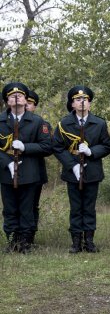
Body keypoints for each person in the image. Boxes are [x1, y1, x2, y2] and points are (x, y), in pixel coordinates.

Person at [52, 86, 110, 253]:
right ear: (72, 104)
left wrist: (92, 151)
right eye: (78, 100)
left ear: (90, 104)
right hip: (72, 172)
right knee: (76, 207)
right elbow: (57, 147)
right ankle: (76, 241)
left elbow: (107, 146)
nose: (82, 102)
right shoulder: (64, 123)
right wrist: (72, 166)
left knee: (89, 207)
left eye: (85, 99)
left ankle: (89, 241)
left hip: (92, 170)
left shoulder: (99, 123)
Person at [0, 82, 52, 253]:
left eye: (20, 96)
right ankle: (12, 241)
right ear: (7, 101)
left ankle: (25, 242)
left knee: (27, 209)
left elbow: (46, 147)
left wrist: (25, 147)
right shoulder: (1, 120)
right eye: (12, 96)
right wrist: (7, 162)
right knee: (9, 209)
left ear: (25, 100)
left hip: (29, 172)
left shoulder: (37, 122)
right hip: (6, 173)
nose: (16, 98)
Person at [25, 89, 53, 245]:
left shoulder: (41, 124)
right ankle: (15, 237)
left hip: (35, 171)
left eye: (30, 103)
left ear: (34, 106)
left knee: (32, 205)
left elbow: (47, 148)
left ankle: (30, 237)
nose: (26, 106)